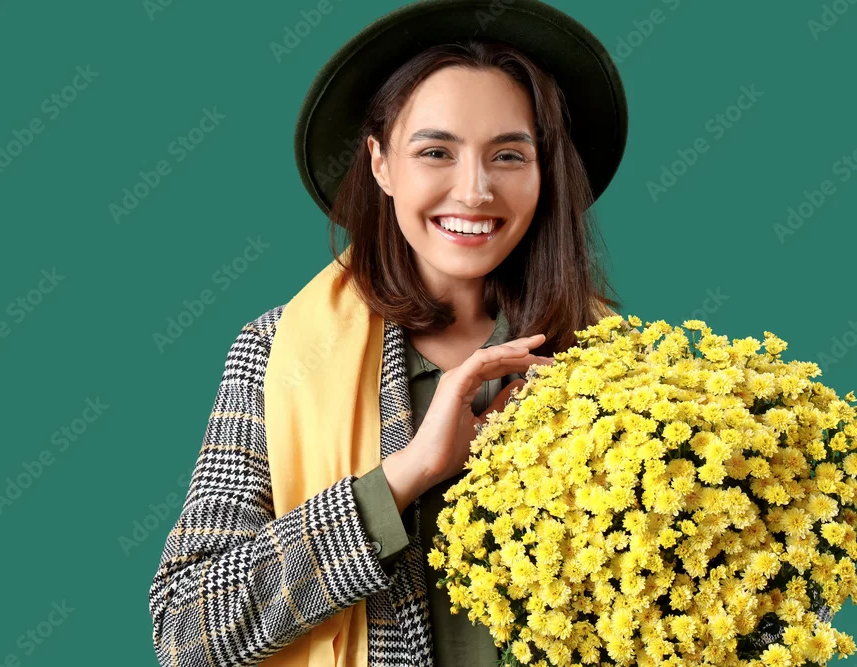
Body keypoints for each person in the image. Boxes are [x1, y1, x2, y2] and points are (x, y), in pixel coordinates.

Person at [147, 1, 627, 665]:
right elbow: (186, 631)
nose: (475, 190)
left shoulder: (613, 361)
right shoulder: (278, 353)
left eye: (509, 155)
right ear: (380, 163)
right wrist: (407, 473)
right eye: (435, 152)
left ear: (545, 174)